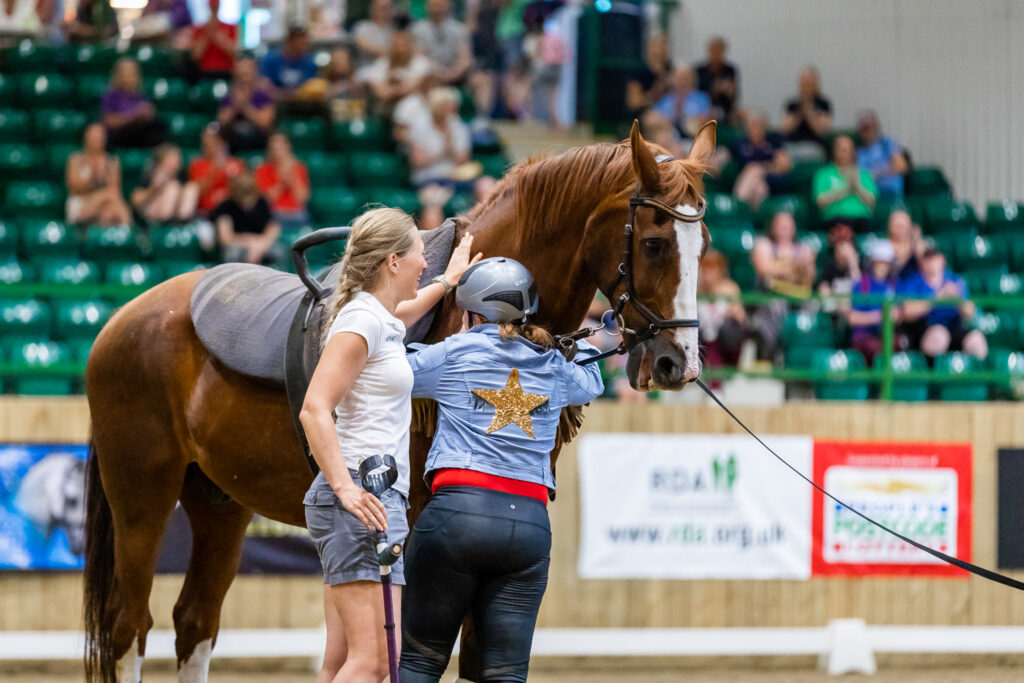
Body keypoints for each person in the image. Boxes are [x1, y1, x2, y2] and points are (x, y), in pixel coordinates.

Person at [399, 257, 604, 682]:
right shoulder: (553, 365)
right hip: (528, 528)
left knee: (421, 662)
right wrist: (578, 343)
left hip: (456, 518)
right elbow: (592, 381)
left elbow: (393, 373)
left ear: (472, 312)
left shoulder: (455, 352)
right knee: (507, 674)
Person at [300, 208, 480, 683]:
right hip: (364, 497)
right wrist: (346, 490)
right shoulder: (362, 321)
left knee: (340, 663)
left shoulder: (375, 314)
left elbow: (406, 310)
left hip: (365, 496)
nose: (426, 263)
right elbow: (314, 408)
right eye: (422, 255)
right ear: (392, 262)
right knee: (376, 661)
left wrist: (449, 280)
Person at [898, 248, 988, 361]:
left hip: (954, 327)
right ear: (922, 263)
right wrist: (936, 299)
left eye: (935, 258)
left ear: (942, 260)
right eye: (928, 259)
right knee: (939, 335)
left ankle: (975, 377)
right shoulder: (914, 282)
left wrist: (957, 299)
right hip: (926, 328)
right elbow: (907, 312)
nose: (932, 263)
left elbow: (970, 313)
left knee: (976, 340)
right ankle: (934, 377)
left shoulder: (955, 281)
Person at [750, 210, 815, 359]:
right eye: (781, 224)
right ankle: (772, 351)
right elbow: (764, 269)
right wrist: (793, 267)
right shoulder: (763, 244)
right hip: (770, 297)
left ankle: (800, 352)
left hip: (798, 297)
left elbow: (810, 276)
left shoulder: (804, 247)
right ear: (773, 226)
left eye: (788, 224)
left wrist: (780, 267)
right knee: (774, 305)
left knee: (810, 304)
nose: (784, 228)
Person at [65, 124, 132, 227]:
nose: (96, 140)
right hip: (81, 205)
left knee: (109, 210)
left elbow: (115, 188)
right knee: (110, 195)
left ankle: (122, 233)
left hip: (106, 206)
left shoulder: (112, 161)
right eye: (93, 136)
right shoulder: (76, 159)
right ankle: (129, 230)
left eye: (99, 136)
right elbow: (74, 187)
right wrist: (95, 179)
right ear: (85, 138)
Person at [847, 239, 899, 365]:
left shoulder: (893, 285)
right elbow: (852, 318)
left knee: (899, 343)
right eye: (878, 263)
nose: (882, 267)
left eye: (885, 263)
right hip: (863, 338)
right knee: (875, 347)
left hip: (885, 335)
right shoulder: (862, 284)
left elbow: (899, 313)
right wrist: (881, 316)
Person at [211, 171, 281, 265]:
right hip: (239, 244)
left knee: (279, 251)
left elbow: (274, 228)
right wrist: (250, 242)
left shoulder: (262, 203)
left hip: (260, 244)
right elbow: (226, 238)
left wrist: (261, 245)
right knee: (233, 253)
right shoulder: (226, 206)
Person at [360, 24, 432, 114]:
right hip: (386, 107)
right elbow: (380, 91)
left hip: (413, 107)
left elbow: (413, 86)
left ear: (410, 46)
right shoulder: (382, 62)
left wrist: (391, 86)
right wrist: (399, 88)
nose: (399, 49)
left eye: (403, 45)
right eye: (396, 45)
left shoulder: (421, 62)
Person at [813, 134, 877, 232]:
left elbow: (872, 201)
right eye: (842, 150)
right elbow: (820, 201)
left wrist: (857, 187)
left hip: (861, 220)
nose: (845, 153)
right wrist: (846, 188)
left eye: (848, 150)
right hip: (835, 219)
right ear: (834, 151)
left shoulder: (864, 174)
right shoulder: (824, 173)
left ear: (853, 152)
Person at [731, 109, 791, 211]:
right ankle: (756, 218)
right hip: (755, 183)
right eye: (752, 125)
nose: (755, 128)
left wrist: (761, 168)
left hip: (770, 179)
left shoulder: (773, 142)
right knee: (760, 189)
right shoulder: (741, 143)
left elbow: (785, 166)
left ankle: (738, 205)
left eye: (758, 125)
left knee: (754, 170)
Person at [102, 58, 169, 149]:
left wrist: (148, 114)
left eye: (132, 73)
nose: (129, 76)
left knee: (159, 126)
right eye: (126, 73)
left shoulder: (143, 95)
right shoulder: (110, 96)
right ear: (118, 75)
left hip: (141, 135)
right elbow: (109, 121)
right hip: (120, 135)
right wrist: (134, 114)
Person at [698, 250, 748, 368]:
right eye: (705, 269)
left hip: (722, 342)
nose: (708, 273)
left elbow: (741, 317)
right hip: (701, 340)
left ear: (720, 270)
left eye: (712, 269)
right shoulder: (695, 290)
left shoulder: (730, 289)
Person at [217, 57, 276, 153]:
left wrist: (245, 106)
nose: (244, 78)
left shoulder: (263, 96)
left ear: (254, 73)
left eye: (247, 74)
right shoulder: (229, 96)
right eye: (241, 74)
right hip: (233, 142)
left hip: (258, 142)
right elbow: (222, 120)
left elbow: (265, 122)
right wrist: (235, 106)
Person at [130, 144, 199, 224]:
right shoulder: (151, 175)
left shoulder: (181, 176)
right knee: (172, 188)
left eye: (178, 158)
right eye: (172, 159)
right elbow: (135, 201)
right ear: (162, 160)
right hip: (152, 213)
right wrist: (154, 189)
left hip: (175, 214)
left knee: (191, 188)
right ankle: (165, 225)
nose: (177, 162)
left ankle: (183, 224)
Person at [255, 133, 311, 229]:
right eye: (274, 149)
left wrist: (292, 178)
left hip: (297, 213)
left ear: (288, 147)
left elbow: (302, 198)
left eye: (280, 148)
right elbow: (266, 199)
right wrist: (282, 183)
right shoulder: (263, 170)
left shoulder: (298, 168)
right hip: (275, 213)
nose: (278, 152)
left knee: (304, 219)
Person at [411, 0, 471, 87]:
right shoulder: (417, 30)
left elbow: (465, 59)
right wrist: (436, 72)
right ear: (427, 5)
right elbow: (418, 57)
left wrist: (453, 73)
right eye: (434, 3)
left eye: (440, 3)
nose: (437, 6)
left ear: (448, 4)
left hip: (455, 79)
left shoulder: (459, 29)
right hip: (428, 77)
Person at [188, 124, 246, 214]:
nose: (207, 142)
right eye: (206, 140)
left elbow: (243, 190)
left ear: (222, 143)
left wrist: (229, 172)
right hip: (206, 212)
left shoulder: (235, 163)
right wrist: (215, 169)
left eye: (214, 140)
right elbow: (196, 191)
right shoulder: (198, 164)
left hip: (232, 213)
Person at [856, 109, 908, 199]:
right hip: (870, 196)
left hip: (892, 193)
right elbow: (859, 176)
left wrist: (875, 173)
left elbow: (901, 166)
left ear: (876, 126)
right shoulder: (859, 152)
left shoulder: (887, 143)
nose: (867, 131)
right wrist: (888, 168)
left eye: (869, 127)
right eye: (863, 128)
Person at [260, 26, 320, 101]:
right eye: (299, 44)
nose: (303, 47)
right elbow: (265, 84)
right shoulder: (271, 60)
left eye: (305, 44)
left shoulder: (309, 63)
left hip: (302, 104)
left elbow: (312, 86)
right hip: (275, 103)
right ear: (289, 42)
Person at [651, 66, 711, 140]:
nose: (682, 82)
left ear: (692, 80)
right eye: (678, 78)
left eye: (685, 78)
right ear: (673, 80)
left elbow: (706, 120)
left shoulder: (701, 98)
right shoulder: (666, 99)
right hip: (669, 136)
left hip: (693, 137)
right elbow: (653, 117)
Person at [781, 67, 832, 148]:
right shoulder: (792, 104)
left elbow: (822, 130)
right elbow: (786, 128)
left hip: (813, 145)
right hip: (792, 144)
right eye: (803, 83)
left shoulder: (823, 104)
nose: (805, 87)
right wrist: (800, 113)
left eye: (808, 83)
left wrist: (809, 111)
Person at [625, 34, 672, 120]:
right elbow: (634, 103)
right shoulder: (638, 73)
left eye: (663, 48)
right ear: (649, 50)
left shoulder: (672, 71)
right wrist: (658, 90)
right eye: (656, 47)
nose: (660, 52)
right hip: (645, 118)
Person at [189, 0, 237, 79]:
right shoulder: (200, 29)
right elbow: (195, 55)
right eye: (212, 5)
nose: (214, 8)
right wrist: (207, 34)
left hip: (226, 72)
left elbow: (235, 52)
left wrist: (220, 39)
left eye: (215, 5)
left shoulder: (230, 27)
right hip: (206, 73)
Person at [694, 35, 739, 122]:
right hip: (705, 109)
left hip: (725, 108)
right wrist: (715, 89)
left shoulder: (730, 70)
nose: (715, 54)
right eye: (713, 50)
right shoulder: (700, 70)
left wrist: (729, 91)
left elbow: (734, 94)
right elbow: (696, 94)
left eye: (719, 50)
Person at [816, 222, 861, 298]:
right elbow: (823, 291)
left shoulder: (860, 265)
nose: (843, 251)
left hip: (855, 308)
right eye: (839, 246)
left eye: (846, 245)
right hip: (835, 307)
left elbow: (862, 291)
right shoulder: (829, 268)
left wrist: (853, 263)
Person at [887, 208, 925, 284]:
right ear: (889, 226)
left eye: (902, 226)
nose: (900, 230)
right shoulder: (884, 245)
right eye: (897, 226)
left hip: (913, 285)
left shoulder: (917, 245)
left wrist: (916, 241)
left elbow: (924, 267)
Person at [352, 0, 393, 69]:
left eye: (389, 8)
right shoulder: (362, 26)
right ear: (373, 8)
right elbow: (363, 44)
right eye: (383, 8)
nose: (386, 11)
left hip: (389, 68)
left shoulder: (394, 29)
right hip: (367, 68)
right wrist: (391, 52)